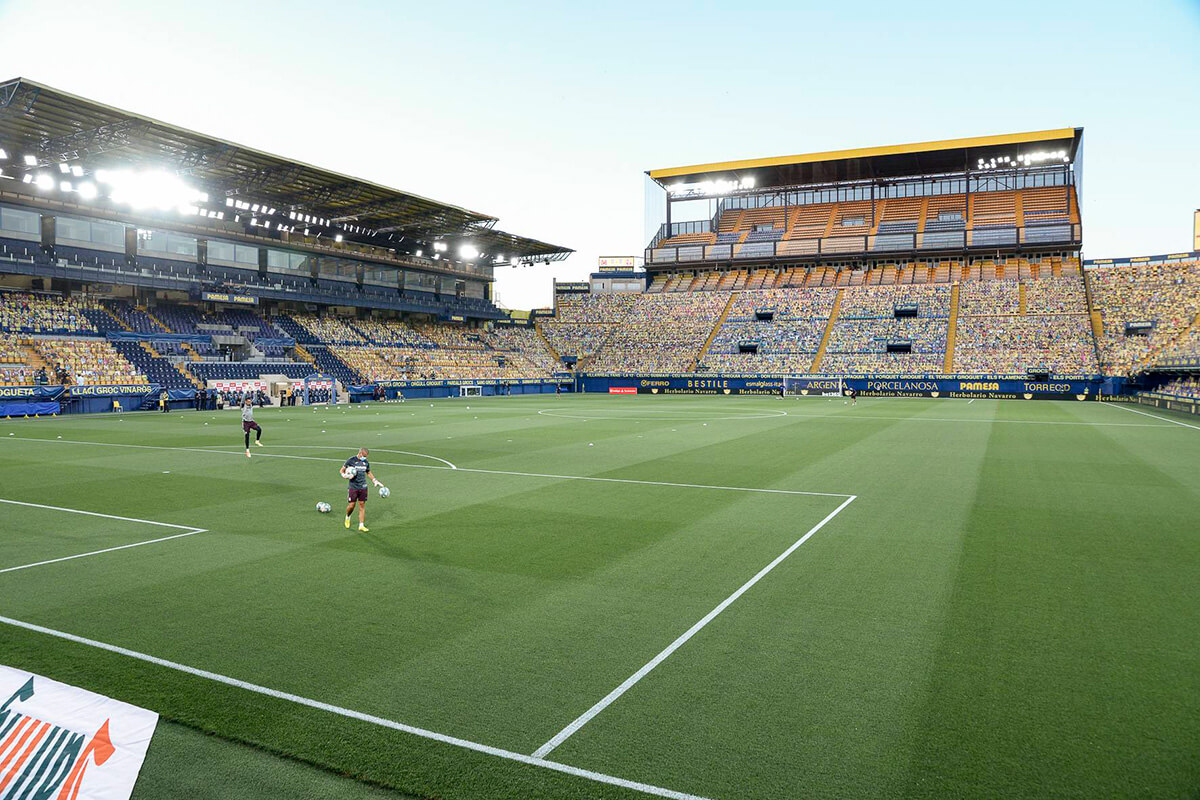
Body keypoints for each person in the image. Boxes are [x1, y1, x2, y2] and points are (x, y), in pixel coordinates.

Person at [341, 447, 385, 532]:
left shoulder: (365, 462)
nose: (365, 458)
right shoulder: (351, 460)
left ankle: (361, 525)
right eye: (364, 456)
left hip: (363, 486)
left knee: (362, 505)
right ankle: (347, 517)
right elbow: (341, 470)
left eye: (366, 456)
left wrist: (374, 480)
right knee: (351, 505)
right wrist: (345, 475)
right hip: (353, 487)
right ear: (360, 453)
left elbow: (368, 472)